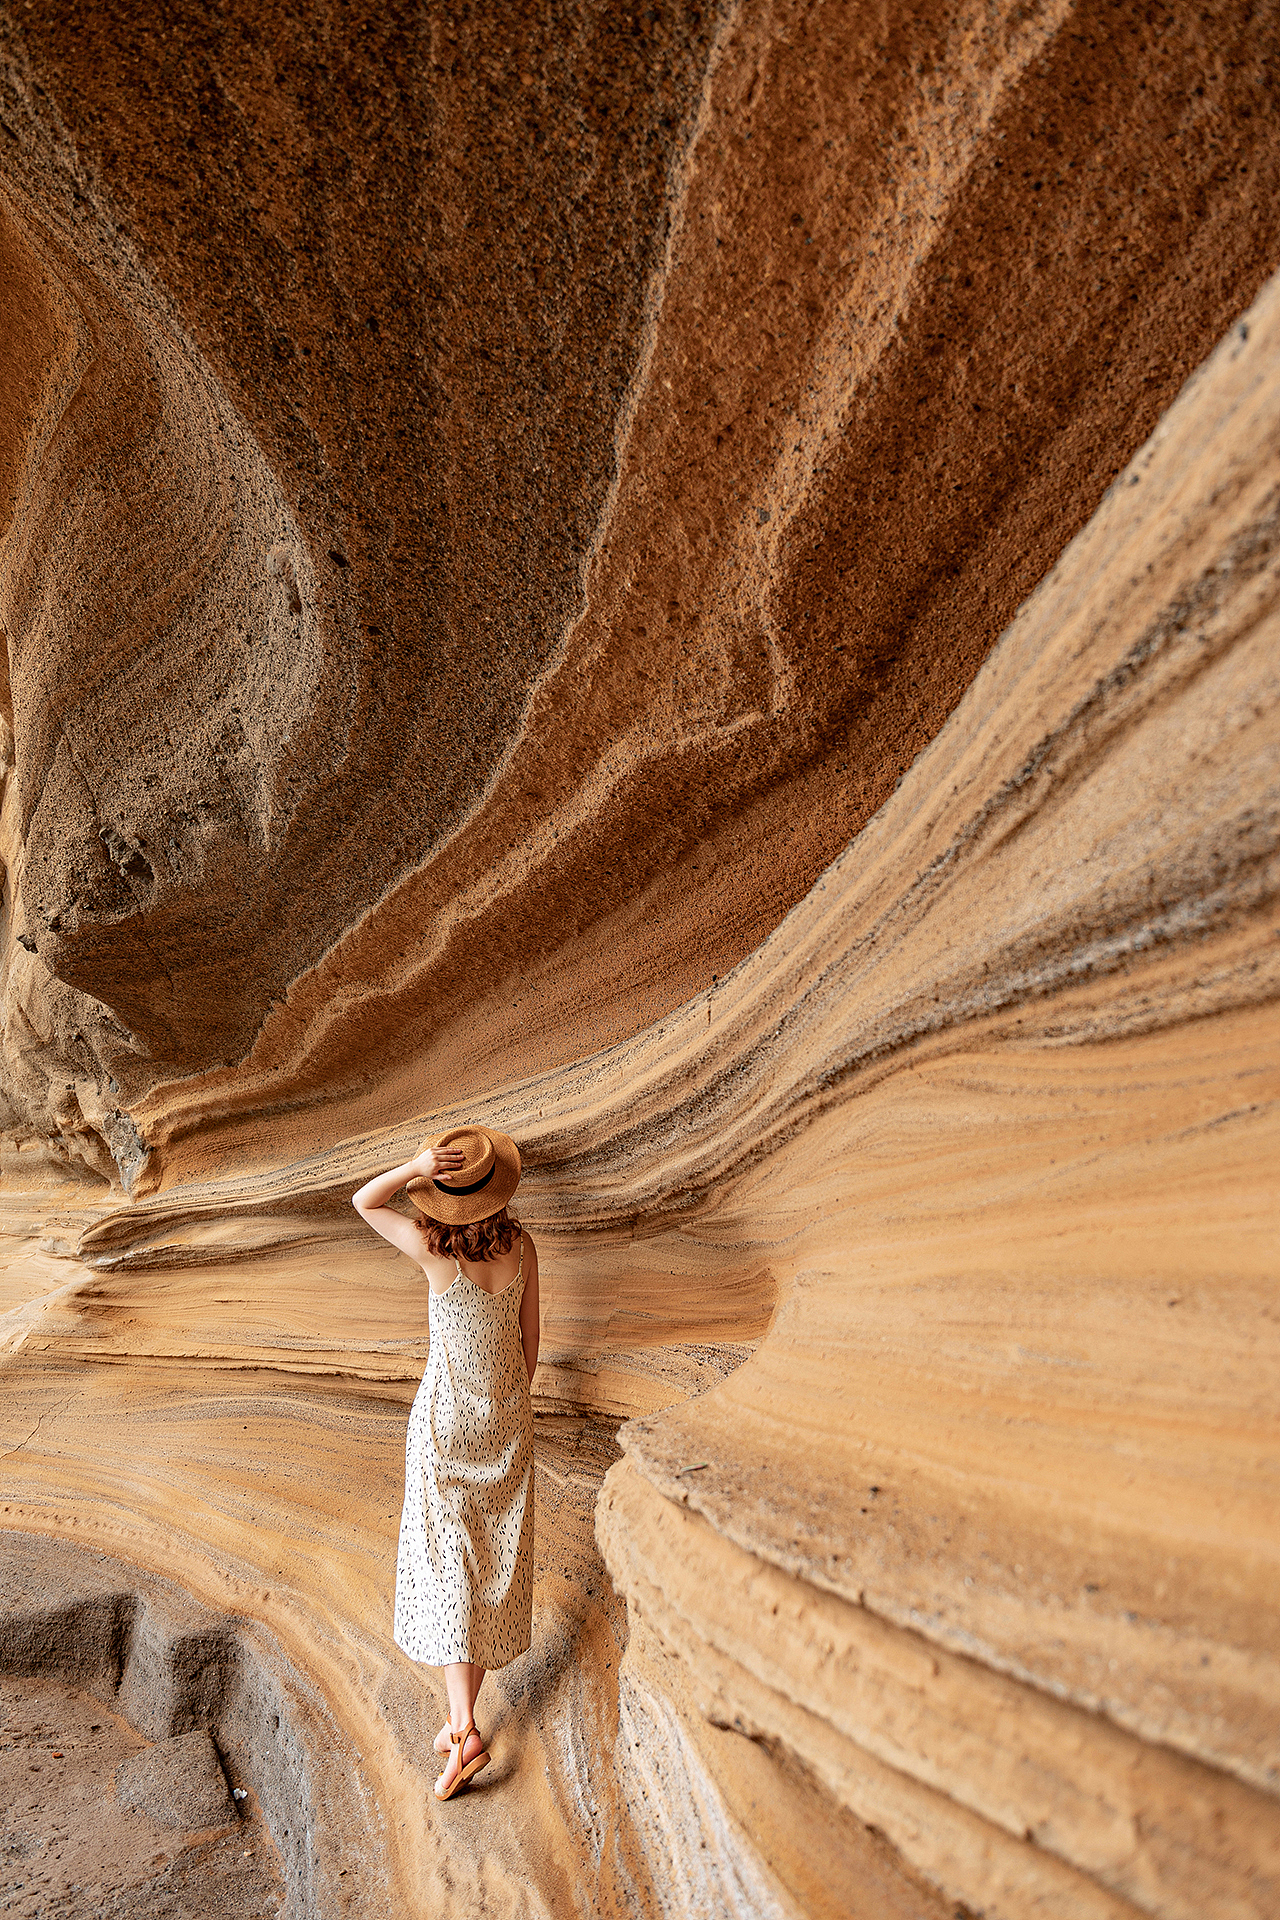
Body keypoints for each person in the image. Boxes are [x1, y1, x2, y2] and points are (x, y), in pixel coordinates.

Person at [352, 1124, 539, 1801]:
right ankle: (461, 1723)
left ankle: (463, 1729)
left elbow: (364, 1202)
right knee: (488, 1563)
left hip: (444, 1425)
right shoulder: (521, 1247)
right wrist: (510, 1407)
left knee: (450, 1561)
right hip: (506, 1419)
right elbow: (529, 1340)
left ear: (443, 1195)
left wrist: (412, 1164)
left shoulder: (435, 1251)